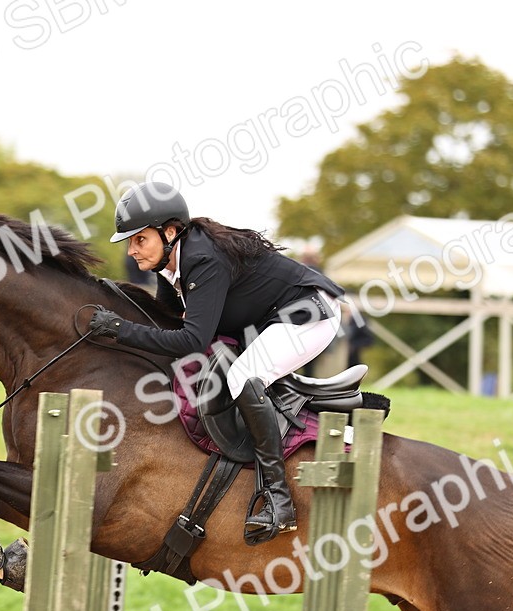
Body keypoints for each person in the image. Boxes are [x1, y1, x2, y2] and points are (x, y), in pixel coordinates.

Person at [87, 182, 346, 544]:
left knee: (242, 377)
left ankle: (279, 498)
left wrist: (119, 329)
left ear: (170, 231)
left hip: (308, 312)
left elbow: (191, 341)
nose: (131, 251)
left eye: (139, 240)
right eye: (130, 242)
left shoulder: (202, 259)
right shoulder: (171, 264)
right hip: (268, 318)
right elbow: (169, 323)